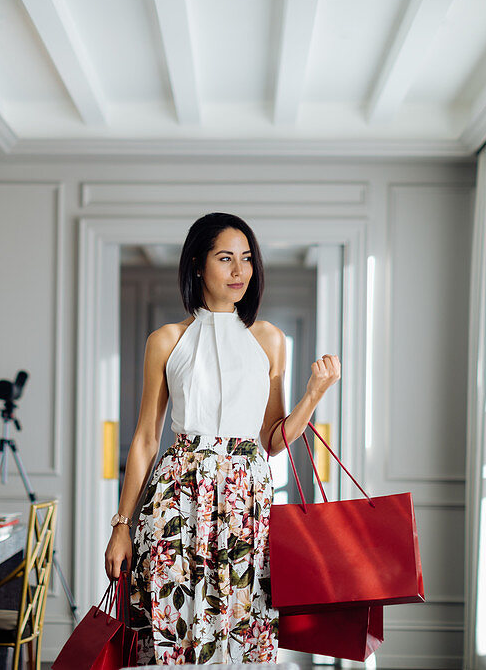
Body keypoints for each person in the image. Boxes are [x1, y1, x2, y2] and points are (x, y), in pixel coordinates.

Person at [104, 212, 341, 664]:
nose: (239, 271)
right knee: (172, 629)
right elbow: (146, 441)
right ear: (198, 264)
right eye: (226, 258)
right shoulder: (166, 340)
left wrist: (313, 396)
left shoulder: (269, 339)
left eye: (247, 259)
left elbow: (272, 440)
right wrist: (122, 526)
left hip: (244, 508)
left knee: (239, 630)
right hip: (177, 500)